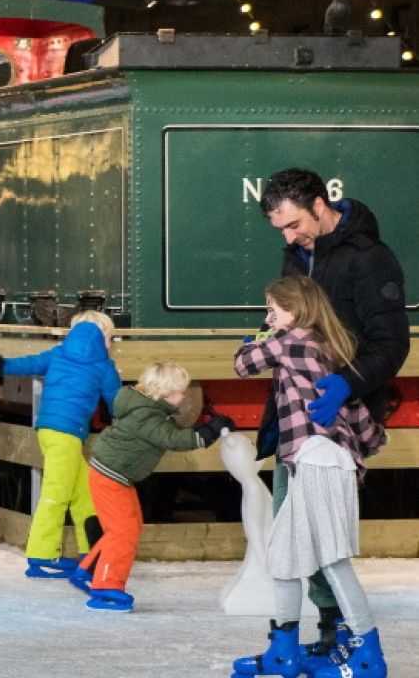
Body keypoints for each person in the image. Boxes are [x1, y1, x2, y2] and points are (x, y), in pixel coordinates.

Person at [257, 168, 409, 662]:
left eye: (294, 224)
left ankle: (339, 630)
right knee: (286, 528)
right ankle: (294, 637)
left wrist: (348, 383)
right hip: (293, 417)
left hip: (340, 418)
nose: (288, 236)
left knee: (321, 533)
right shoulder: (295, 255)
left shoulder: (369, 259)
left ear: (320, 205)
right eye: (280, 228)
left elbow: (391, 343)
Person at [230, 276, 387, 677]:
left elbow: (242, 364)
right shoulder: (328, 347)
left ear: (296, 309)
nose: (269, 317)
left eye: (273, 309)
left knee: (332, 562)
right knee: (283, 559)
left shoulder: (292, 340)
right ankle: (284, 651)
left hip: (317, 460)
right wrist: (366, 439)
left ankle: (368, 655)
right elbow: (355, 410)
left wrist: (257, 336)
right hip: (318, 460)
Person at [72, 362, 232, 612]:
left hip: (117, 475)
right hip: (110, 476)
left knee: (129, 527)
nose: (183, 397)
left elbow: (169, 431)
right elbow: (172, 438)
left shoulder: (148, 408)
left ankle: (89, 569)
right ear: (164, 392)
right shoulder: (146, 415)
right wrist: (207, 433)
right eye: (180, 392)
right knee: (122, 531)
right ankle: (105, 587)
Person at [0, 310, 120, 580]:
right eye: (111, 338)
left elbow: (31, 363)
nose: (111, 344)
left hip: (48, 429)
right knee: (56, 493)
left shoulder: (59, 353)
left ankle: (91, 551)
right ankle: (42, 555)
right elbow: (117, 400)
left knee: (84, 493)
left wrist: (2, 365)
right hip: (68, 434)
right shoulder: (104, 365)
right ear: (103, 335)